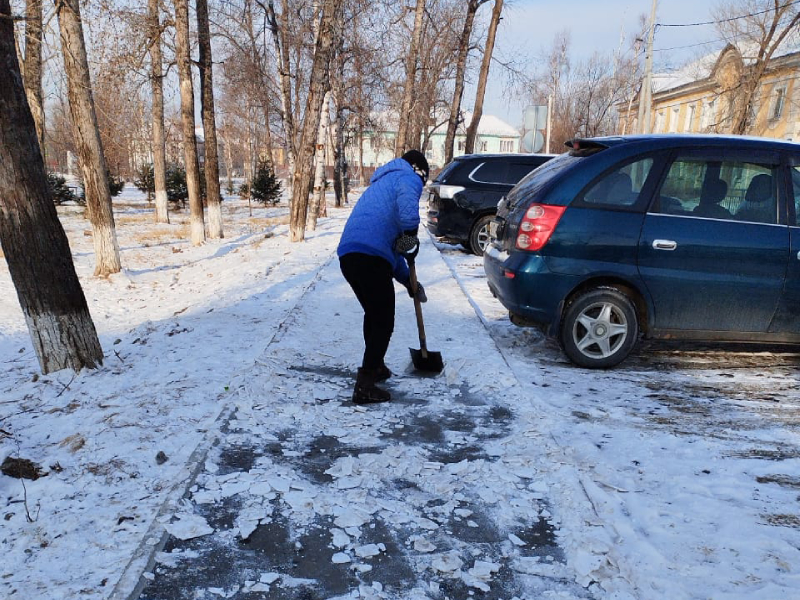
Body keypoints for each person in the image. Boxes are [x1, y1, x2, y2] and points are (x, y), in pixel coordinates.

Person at [338, 150, 430, 405]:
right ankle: (365, 384)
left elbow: (391, 253)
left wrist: (411, 285)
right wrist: (410, 234)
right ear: (418, 170)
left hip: (350, 256)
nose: (421, 185)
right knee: (383, 319)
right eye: (423, 178)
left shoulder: (381, 185)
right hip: (370, 258)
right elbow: (409, 218)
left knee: (374, 314)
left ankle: (375, 366)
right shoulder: (408, 177)